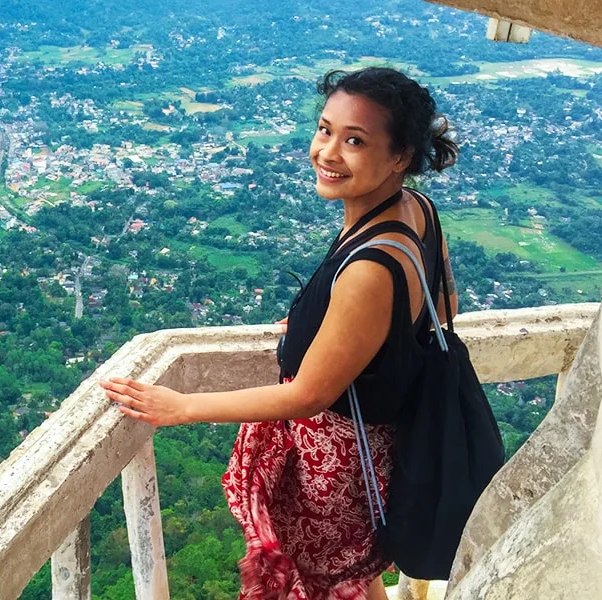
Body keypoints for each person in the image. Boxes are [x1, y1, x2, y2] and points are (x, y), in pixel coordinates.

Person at [100, 67, 460, 600]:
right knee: (351, 577)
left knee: (327, 584)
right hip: (380, 442)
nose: (328, 151)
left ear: (401, 156)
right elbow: (443, 303)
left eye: (355, 140)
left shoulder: (369, 269)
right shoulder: (415, 211)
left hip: (335, 464)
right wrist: (337, 328)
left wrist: (181, 407)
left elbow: (308, 395)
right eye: (325, 129)